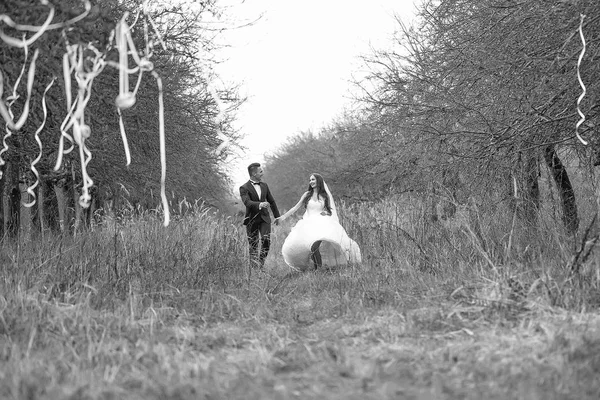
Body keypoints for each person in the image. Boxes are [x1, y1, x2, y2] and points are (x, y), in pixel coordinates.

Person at [275, 173, 361, 271]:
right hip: (307, 224)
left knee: (315, 245)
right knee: (311, 248)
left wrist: (325, 213)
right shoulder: (307, 195)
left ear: (318, 181)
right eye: (310, 180)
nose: (311, 182)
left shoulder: (324, 196)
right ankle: (316, 267)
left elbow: (330, 211)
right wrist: (282, 217)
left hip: (320, 223)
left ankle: (318, 269)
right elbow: (295, 207)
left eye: (313, 179)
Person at [239, 162, 281, 269]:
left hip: (264, 218)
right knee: (253, 245)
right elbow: (247, 202)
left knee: (266, 240)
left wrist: (277, 216)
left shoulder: (264, 185)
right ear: (254, 174)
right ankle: (254, 269)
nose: (262, 173)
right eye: (260, 171)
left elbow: (271, 201)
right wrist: (260, 204)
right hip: (251, 219)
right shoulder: (244, 188)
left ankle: (260, 265)